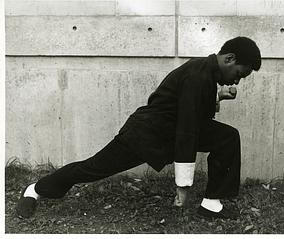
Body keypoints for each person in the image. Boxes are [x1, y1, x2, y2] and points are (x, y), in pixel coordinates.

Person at [16, 36, 261, 220]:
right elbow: (188, 129)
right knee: (92, 168)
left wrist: (219, 96)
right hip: (145, 135)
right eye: (240, 73)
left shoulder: (205, 72)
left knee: (227, 137)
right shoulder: (199, 75)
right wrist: (183, 185)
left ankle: (211, 203)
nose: (238, 80)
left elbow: (190, 108)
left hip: (168, 131)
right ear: (229, 59)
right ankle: (35, 189)